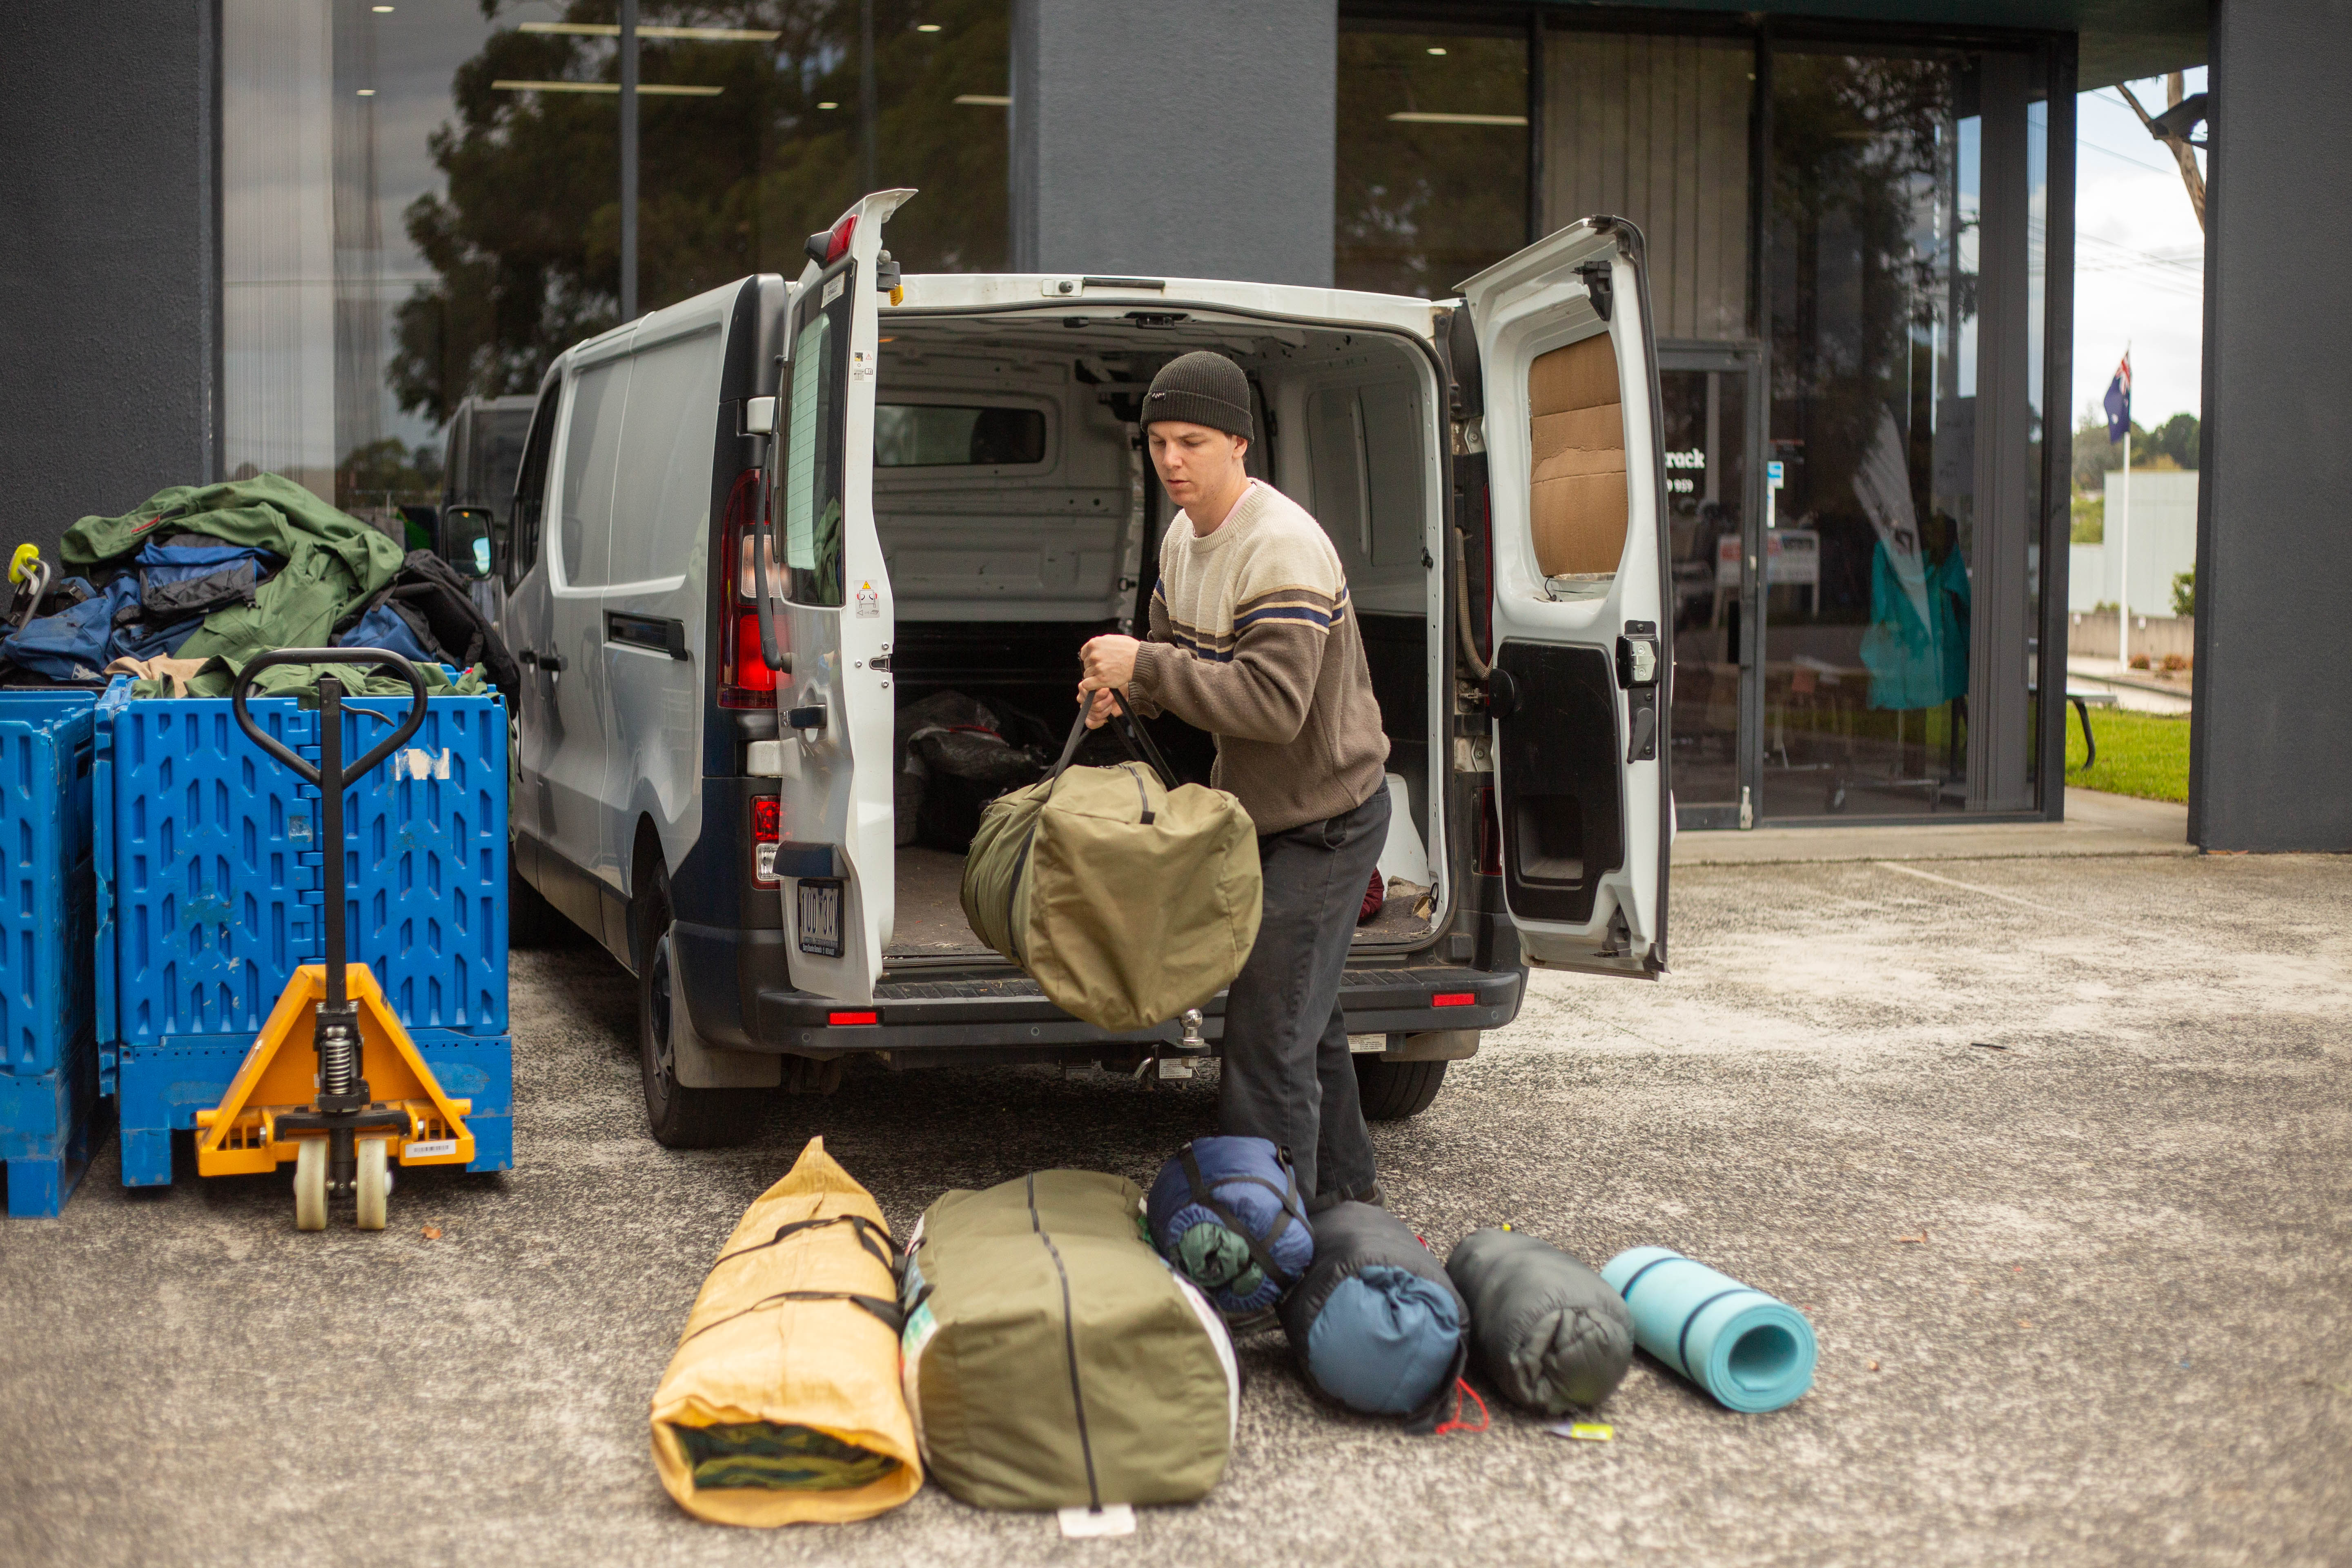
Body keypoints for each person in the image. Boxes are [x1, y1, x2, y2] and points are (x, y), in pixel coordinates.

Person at [1076, 350, 1391, 1210]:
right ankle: (1345, 1213)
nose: (1172, 460)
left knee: (1265, 1032)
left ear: (1239, 444)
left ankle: (1266, 1242)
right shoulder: (1184, 536)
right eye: (1158, 442)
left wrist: (1145, 661)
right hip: (1261, 814)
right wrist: (1123, 685)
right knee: (1308, 1021)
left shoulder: (1280, 546)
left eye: (1193, 442)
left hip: (1330, 818)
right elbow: (1173, 656)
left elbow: (1272, 706)